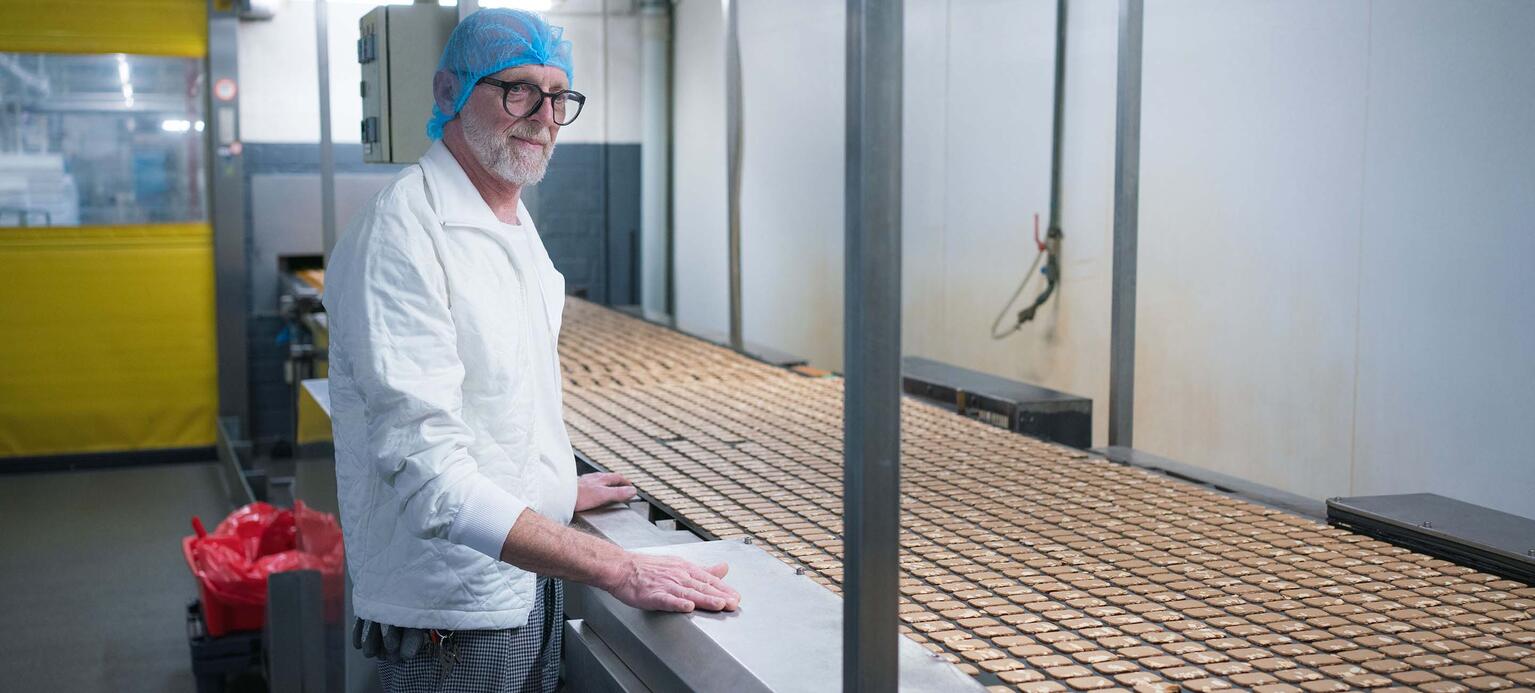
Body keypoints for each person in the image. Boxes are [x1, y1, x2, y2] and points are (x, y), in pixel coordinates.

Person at [325, 9, 739, 693]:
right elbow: (431, 480)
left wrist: (552, 488)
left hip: (520, 580)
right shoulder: (402, 235)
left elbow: (502, 401)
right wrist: (622, 567)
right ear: (448, 92)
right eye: (517, 89)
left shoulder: (511, 221)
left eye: (558, 95)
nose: (543, 114)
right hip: (449, 618)